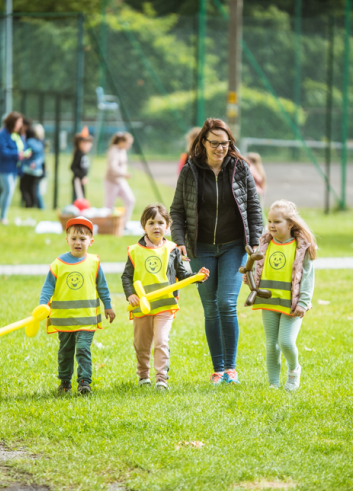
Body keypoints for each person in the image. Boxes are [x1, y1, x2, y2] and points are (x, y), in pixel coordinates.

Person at [170, 118, 263, 385]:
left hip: (235, 245)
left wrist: (254, 242)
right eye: (214, 143)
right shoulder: (190, 170)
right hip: (201, 248)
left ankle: (231, 369)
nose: (220, 148)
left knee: (226, 303)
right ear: (203, 143)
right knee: (210, 308)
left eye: (225, 143)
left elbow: (254, 208)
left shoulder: (240, 168)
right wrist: (179, 240)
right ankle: (217, 369)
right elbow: (177, 210)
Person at [121, 204, 209, 390]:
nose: (156, 227)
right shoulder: (134, 251)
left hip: (165, 305)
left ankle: (161, 379)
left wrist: (196, 277)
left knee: (161, 341)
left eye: (161, 222)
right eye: (151, 223)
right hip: (142, 306)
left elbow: (182, 275)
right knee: (141, 344)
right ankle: (143, 375)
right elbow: (126, 277)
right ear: (143, 226)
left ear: (167, 226)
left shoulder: (172, 249)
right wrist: (130, 295)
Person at [39, 217, 116, 395]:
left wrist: (108, 305)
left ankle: (84, 382)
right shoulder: (58, 264)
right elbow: (47, 287)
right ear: (67, 240)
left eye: (82, 239)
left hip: (86, 319)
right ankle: (64, 382)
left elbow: (102, 286)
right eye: (74, 239)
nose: (78, 243)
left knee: (82, 348)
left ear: (91, 241)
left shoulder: (94, 262)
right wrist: (42, 305)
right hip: (64, 320)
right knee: (65, 351)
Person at [251, 200, 316, 391]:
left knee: (286, 342)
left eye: (277, 222)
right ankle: (273, 383)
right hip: (269, 299)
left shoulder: (300, 248)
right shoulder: (264, 245)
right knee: (272, 344)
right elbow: (257, 268)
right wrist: (252, 280)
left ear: (290, 224)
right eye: (269, 221)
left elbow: (307, 278)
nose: (271, 225)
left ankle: (294, 370)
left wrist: (303, 303)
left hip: (291, 303)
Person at [0, 111, 25, 225]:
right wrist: (18, 154)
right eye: (19, 122)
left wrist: (25, 154)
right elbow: (2, 152)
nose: (20, 124)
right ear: (13, 122)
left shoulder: (18, 135)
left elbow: (22, 148)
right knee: (8, 190)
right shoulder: (1, 134)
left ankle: (3, 216)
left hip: (14, 169)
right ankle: (2, 217)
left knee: (9, 192)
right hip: (3, 168)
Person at [104, 132, 136, 225]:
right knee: (109, 205)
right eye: (128, 143)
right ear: (122, 141)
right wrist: (123, 173)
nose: (129, 146)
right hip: (111, 181)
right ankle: (107, 224)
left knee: (130, 200)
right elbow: (112, 166)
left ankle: (124, 223)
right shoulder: (113, 150)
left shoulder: (123, 150)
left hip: (120, 181)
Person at [21, 123, 46, 209]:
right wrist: (36, 163)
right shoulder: (40, 143)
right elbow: (42, 156)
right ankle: (38, 206)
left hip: (28, 169)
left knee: (24, 188)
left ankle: (29, 205)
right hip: (37, 170)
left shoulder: (29, 142)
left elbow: (26, 152)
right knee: (34, 189)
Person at [71, 129, 93, 203]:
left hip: (81, 180)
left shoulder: (84, 154)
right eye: (88, 143)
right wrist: (81, 177)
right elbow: (72, 167)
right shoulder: (79, 154)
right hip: (77, 180)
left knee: (82, 197)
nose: (90, 146)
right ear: (81, 143)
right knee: (79, 200)